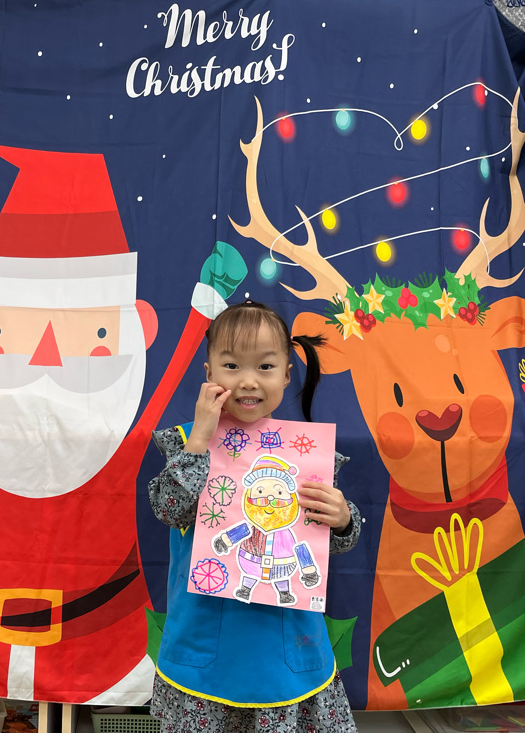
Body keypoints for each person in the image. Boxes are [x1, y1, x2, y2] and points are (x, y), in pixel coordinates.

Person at [149, 300, 361, 732]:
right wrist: (200, 438)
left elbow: (331, 541)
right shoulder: (188, 443)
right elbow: (169, 509)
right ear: (209, 373)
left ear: (286, 374)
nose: (248, 381)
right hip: (205, 649)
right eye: (231, 366)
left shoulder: (307, 454)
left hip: (286, 652)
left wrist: (342, 518)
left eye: (265, 367)